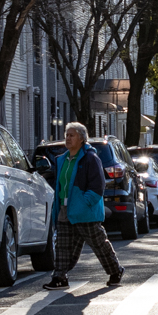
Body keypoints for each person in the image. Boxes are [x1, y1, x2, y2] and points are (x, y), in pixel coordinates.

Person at [47, 122, 121, 288]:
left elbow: (97, 186)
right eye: (67, 135)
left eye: (72, 135)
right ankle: (59, 277)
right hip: (65, 211)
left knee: (99, 244)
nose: (68, 138)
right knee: (62, 246)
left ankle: (115, 270)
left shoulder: (90, 158)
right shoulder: (62, 160)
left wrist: (84, 203)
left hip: (85, 212)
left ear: (81, 139)